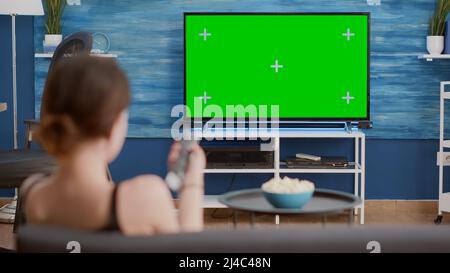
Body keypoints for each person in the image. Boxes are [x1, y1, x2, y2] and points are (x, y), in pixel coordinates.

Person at [20, 56, 205, 235]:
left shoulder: (33, 196)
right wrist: (192, 180)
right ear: (112, 126)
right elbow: (189, 255)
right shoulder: (145, 198)